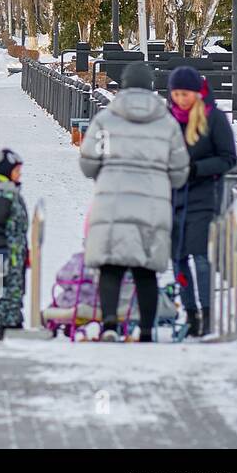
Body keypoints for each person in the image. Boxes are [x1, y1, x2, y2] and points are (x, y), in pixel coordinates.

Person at [79, 62, 189, 342]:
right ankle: (148, 330)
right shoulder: (167, 123)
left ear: (123, 85)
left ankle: (110, 325)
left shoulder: (106, 120)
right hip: (153, 205)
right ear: (152, 87)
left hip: (112, 202)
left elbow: (89, 163)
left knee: (111, 266)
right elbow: (179, 170)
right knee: (146, 270)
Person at [166, 65, 237, 338]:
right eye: (176, 94)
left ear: (197, 93)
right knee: (178, 258)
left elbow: (228, 157)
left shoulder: (213, 117)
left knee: (200, 257)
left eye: (186, 94)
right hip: (174, 195)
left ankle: (207, 313)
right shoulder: (169, 118)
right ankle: (190, 311)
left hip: (203, 195)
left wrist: (196, 169)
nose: (181, 100)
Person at [0, 148, 29, 340]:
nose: (19, 174)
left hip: (15, 251)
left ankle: (14, 321)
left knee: (16, 288)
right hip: (4, 252)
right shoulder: (2, 195)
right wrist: (1, 249)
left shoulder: (9, 192)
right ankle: (4, 325)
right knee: (4, 288)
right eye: (16, 170)